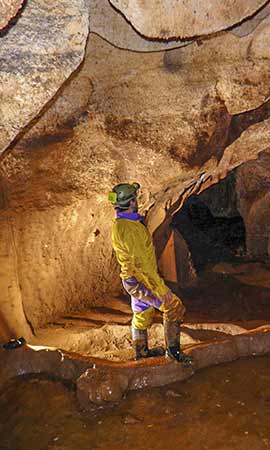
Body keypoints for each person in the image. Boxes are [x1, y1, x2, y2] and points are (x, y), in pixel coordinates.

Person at [108, 182, 193, 366]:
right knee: (174, 307)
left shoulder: (124, 223)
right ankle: (174, 353)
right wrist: (162, 290)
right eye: (135, 198)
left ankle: (142, 352)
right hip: (141, 280)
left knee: (142, 311)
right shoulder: (130, 230)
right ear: (131, 202)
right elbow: (143, 266)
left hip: (131, 279)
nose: (137, 201)